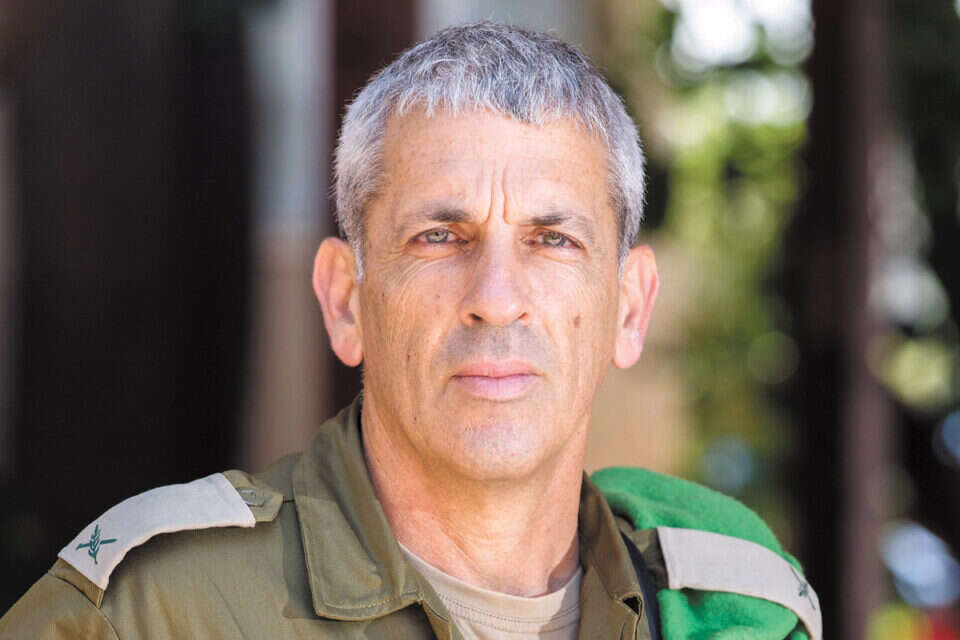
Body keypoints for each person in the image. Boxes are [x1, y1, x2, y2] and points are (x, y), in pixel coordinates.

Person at [0, 22, 820, 640]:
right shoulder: (154, 611)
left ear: (630, 308)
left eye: (552, 239)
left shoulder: (736, 610)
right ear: (345, 301)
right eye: (439, 237)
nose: (496, 300)